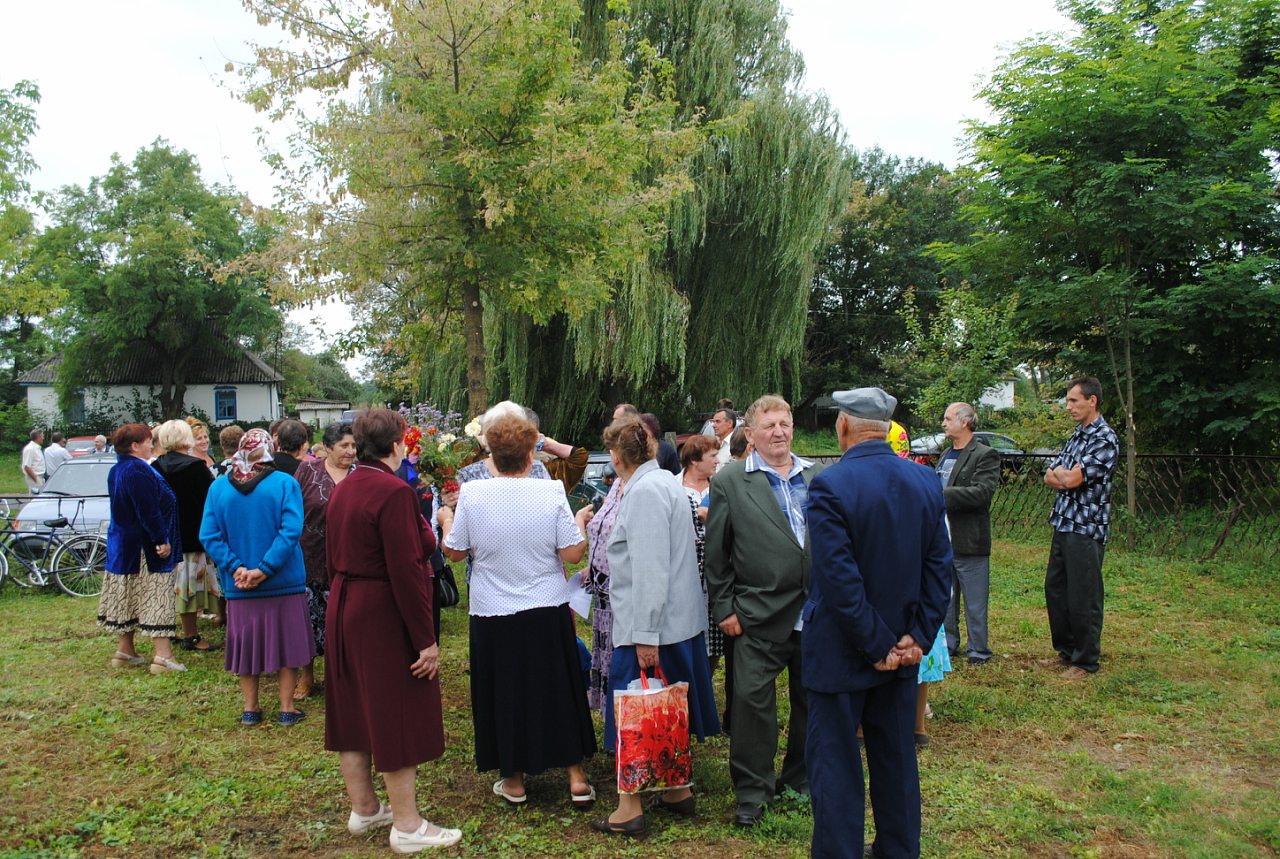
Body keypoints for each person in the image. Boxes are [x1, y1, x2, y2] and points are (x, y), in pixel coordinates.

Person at [802, 387, 952, 859]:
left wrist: (878, 645)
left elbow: (840, 581)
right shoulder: (925, 482)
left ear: (843, 427)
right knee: (896, 760)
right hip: (902, 651)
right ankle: (899, 850)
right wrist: (917, 638)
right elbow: (939, 568)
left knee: (837, 766)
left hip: (845, 653)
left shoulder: (829, 485)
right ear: (887, 429)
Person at [437, 414, 597, 811]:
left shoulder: (473, 493)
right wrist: (578, 521)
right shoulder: (551, 491)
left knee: (503, 689)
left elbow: (455, 553)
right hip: (546, 604)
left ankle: (513, 778)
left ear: (491, 453)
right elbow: (573, 553)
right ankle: (575, 776)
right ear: (530, 454)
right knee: (559, 686)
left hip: (494, 610)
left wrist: (445, 522)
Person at [323, 408, 462, 853]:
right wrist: (425, 639)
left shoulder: (344, 488)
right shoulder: (394, 492)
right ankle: (406, 825)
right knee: (392, 709)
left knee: (353, 708)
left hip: (344, 603)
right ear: (398, 444)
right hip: (381, 609)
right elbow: (406, 571)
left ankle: (365, 807)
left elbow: (330, 555)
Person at [591, 417, 720, 837]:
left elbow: (649, 569)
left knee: (635, 709)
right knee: (669, 706)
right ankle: (677, 791)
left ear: (615, 455)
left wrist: (645, 636)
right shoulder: (665, 481)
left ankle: (629, 807)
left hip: (652, 625)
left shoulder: (644, 491)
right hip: (678, 620)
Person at [704, 394, 821, 828]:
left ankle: (800, 780)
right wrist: (724, 608)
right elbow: (717, 556)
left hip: (815, 613)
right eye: (769, 425)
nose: (778, 432)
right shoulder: (731, 481)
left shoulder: (818, 477)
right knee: (753, 704)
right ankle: (753, 791)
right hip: (756, 613)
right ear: (749, 434)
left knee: (814, 701)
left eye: (784, 423)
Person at [199, 429, 313, 726]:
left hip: (239, 585)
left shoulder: (219, 488)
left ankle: (251, 709)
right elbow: (290, 531)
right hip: (283, 582)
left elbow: (209, 535)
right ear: (269, 449)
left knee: (246, 648)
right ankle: (287, 709)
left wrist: (235, 567)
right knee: (288, 647)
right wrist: (264, 569)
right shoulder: (285, 484)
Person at [1042, 376, 1119, 680]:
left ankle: (1086, 661)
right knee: (1056, 589)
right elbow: (1050, 475)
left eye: (1074, 400)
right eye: (1068, 401)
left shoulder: (1104, 438)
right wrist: (1063, 474)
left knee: (1083, 594)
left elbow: (1072, 479)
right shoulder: (1078, 435)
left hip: (1086, 528)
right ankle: (1067, 651)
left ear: (1092, 401)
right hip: (1063, 520)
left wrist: (1064, 475)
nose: (1069, 406)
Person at [97, 423, 186, 674]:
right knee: (155, 594)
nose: (152, 445)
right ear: (135, 446)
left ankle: (125, 650)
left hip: (123, 546)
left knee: (130, 594)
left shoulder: (118, 469)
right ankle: (163, 656)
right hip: (145, 548)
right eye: (148, 441)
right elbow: (148, 510)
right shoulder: (137, 471)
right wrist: (161, 540)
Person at [294, 421, 356, 700]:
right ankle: (306, 678)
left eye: (354, 445)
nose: (351, 451)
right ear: (328, 447)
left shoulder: (360, 474)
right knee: (308, 619)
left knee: (344, 622)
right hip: (311, 555)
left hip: (348, 559)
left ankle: (340, 678)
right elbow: (292, 508)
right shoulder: (308, 470)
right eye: (344, 445)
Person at [937, 402, 1000, 666]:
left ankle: (978, 651)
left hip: (970, 540)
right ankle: (950, 645)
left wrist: (938, 495)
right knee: (946, 598)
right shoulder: (945, 454)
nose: (943, 423)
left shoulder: (985, 454)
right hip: (943, 539)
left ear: (964, 422)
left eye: (948, 418)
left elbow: (981, 493)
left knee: (975, 602)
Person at [152, 420, 221, 653]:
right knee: (189, 588)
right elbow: (212, 501)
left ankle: (166, 629)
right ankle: (191, 636)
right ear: (187, 438)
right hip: (193, 533)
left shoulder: (155, 466)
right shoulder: (197, 467)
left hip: (165, 536)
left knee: (167, 586)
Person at [677, 435, 723, 665]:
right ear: (695, 460)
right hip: (686, 569)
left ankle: (707, 681)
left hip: (716, 569)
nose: (717, 461)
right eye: (712, 456)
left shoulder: (720, 486)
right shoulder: (674, 487)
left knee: (714, 636)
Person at [583, 472, 626, 716]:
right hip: (601, 583)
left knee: (618, 649)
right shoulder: (617, 484)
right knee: (605, 645)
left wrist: (580, 523)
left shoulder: (639, 487)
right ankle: (610, 709)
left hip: (619, 584)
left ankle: (621, 711)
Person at [21, 428, 45, 493]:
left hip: (40, 477)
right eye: (42, 436)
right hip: (34, 477)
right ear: (38, 437)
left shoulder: (37, 448)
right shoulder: (30, 449)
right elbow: (27, 467)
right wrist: (36, 480)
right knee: (36, 499)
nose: (43, 438)